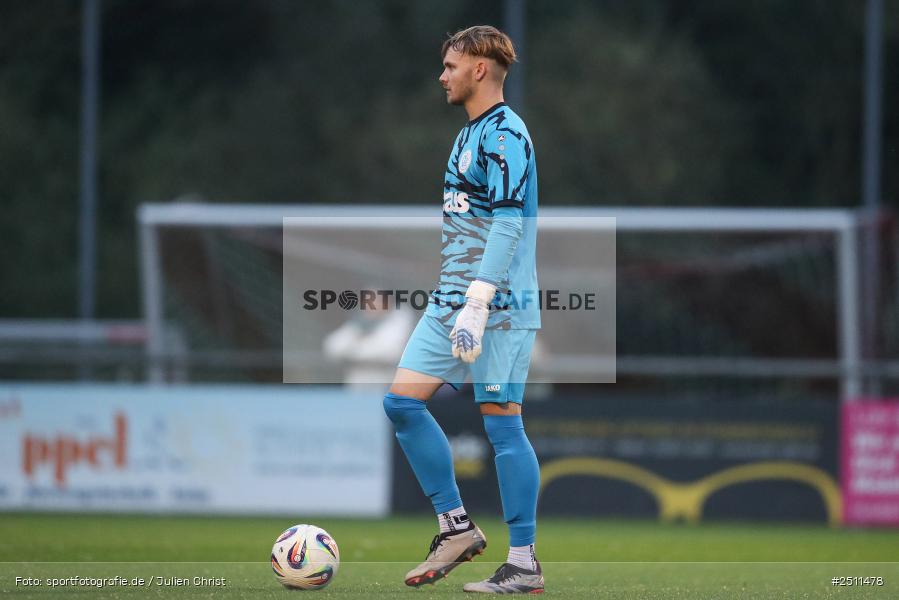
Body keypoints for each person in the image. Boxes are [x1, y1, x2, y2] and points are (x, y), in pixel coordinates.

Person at [382, 25, 543, 594]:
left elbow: (507, 221)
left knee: (503, 429)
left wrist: (479, 299)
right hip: (452, 299)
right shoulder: (466, 136)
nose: (442, 75)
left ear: (479, 68)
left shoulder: (507, 134)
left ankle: (523, 563)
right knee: (402, 403)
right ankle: (456, 527)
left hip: (497, 302)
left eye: (450, 65)